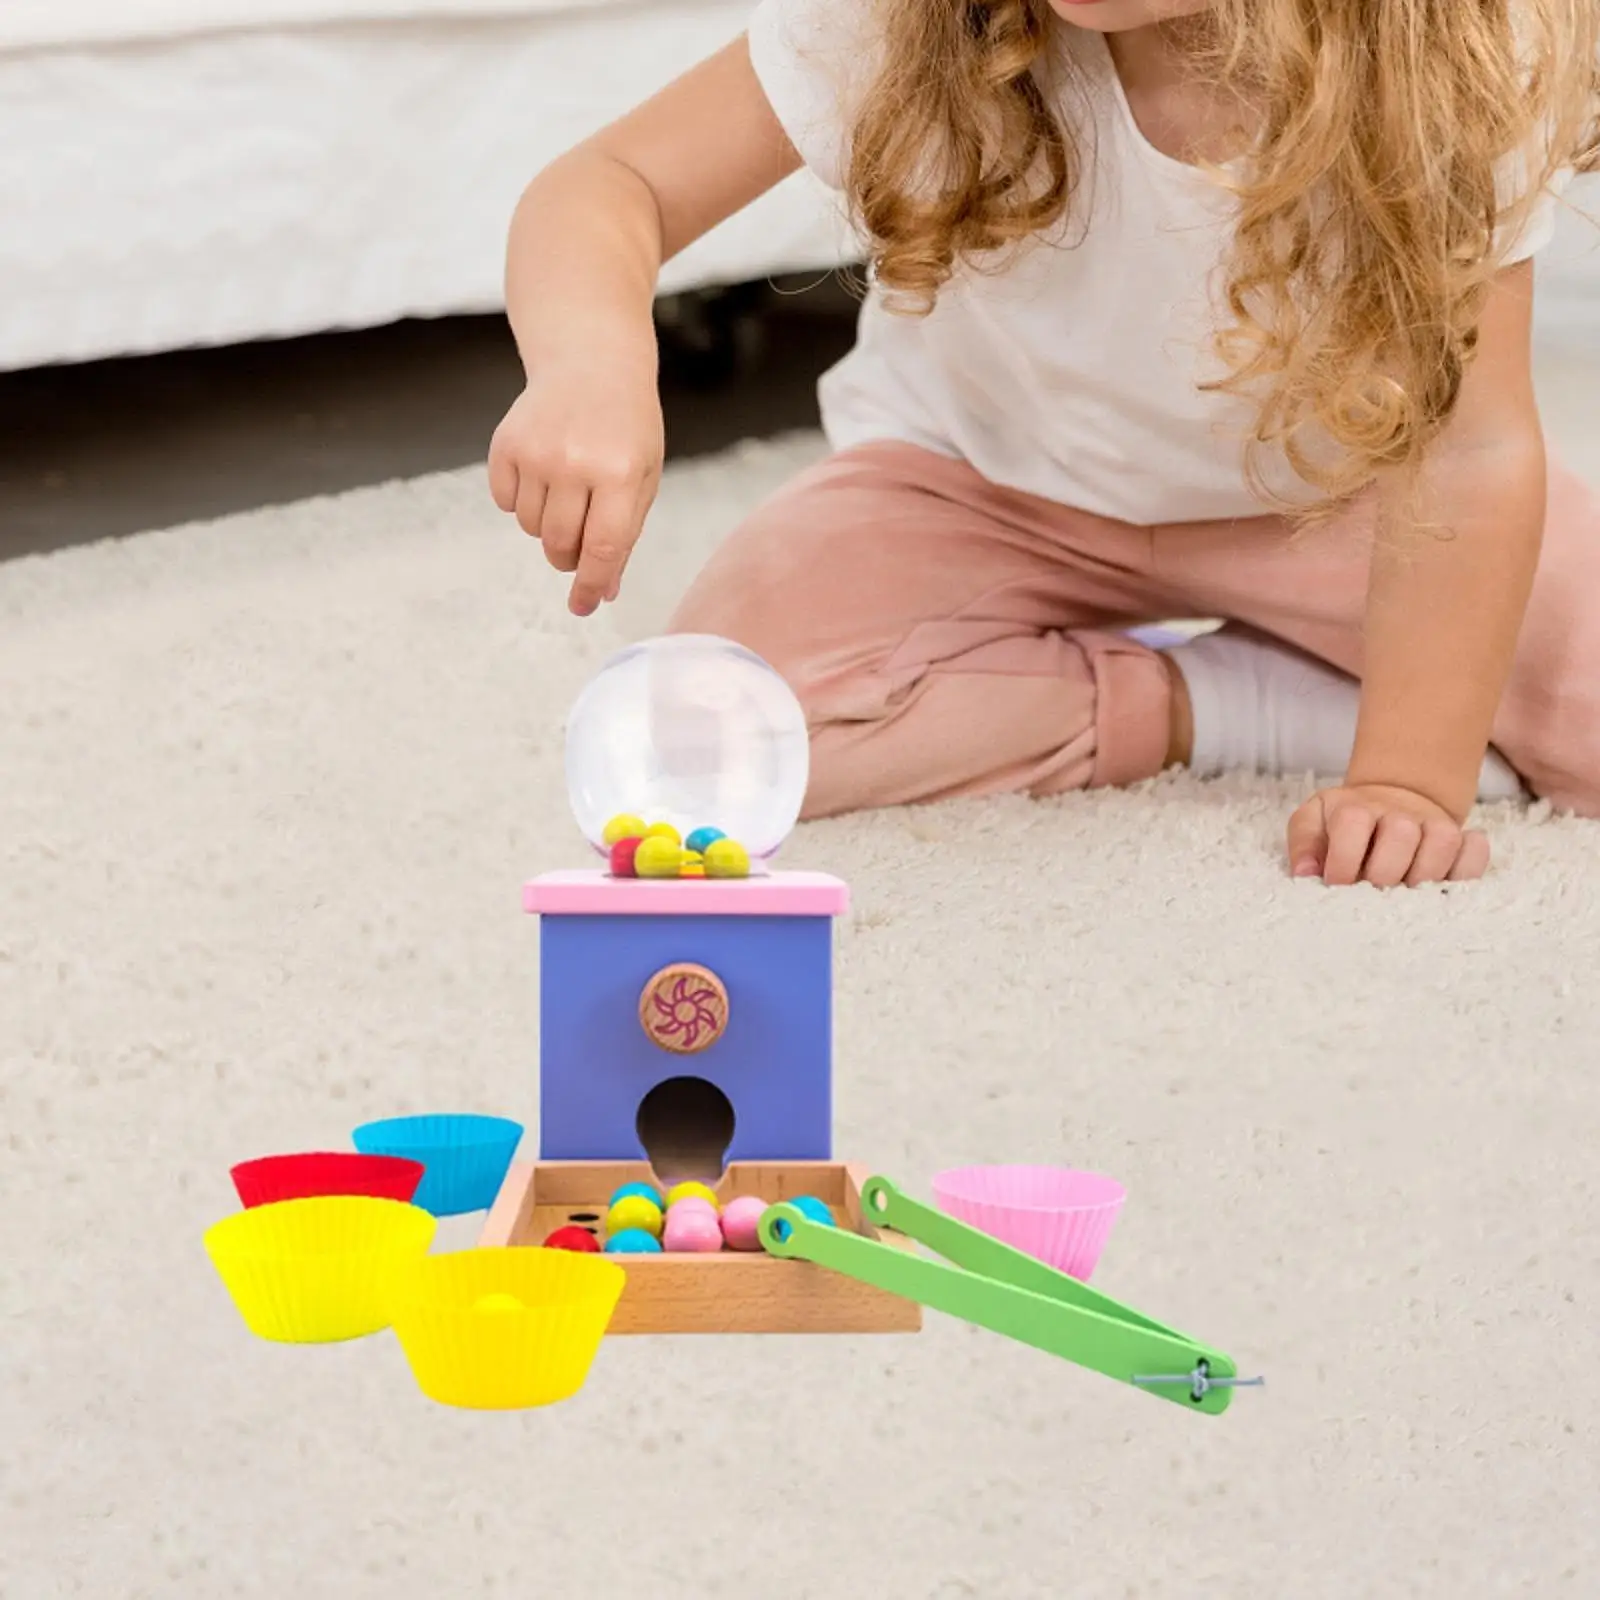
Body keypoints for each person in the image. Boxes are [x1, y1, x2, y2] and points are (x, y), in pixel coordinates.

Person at [488, 0, 1598, 888]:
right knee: (700, 746)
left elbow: (1467, 453)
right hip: (976, 481)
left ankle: (1323, 690)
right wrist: (592, 367)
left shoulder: (1452, 39)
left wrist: (1408, 780)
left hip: (1333, 500)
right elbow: (609, 184)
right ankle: (1219, 704)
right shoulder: (902, 18)